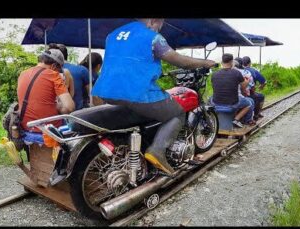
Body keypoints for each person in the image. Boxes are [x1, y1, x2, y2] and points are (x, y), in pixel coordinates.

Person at [92, 19, 215, 176]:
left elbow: (126, 61)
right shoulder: (152, 37)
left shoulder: (113, 35)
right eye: (160, 25)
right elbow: (179, 61)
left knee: (144, 111)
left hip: (105, 91)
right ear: (152, 20)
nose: (159, 29)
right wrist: (205, 63)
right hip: (137, 91)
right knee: (177, 113)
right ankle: (157, 150)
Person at [17, 49, 75, 132]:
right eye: (59, 70)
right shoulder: (53, 75)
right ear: (54, 66)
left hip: (25, 128)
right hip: (48, 130)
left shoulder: (23, 74)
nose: (59, 73)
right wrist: (59, 107)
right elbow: (70, 107)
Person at [211, 53, 253, 128]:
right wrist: (247, 81)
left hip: (216, 103)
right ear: (231, 62)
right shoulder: (236, 73)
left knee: (209, 99)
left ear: (222, 62)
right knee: (249, 103)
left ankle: (212, 120)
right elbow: (243, 88)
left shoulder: (214, 74)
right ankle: (236, 119)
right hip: (232, 104)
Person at [51, 43, 90, 110]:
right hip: (76, 114)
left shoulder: (49, 72)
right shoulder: (81, 70)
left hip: (54, 113)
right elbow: (91, 93)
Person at [242, 56, 266, 120]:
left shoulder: (238, 70)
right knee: (261, 96)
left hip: (238, 93)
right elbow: (264, 81)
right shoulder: (253, 71)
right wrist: (261, 87)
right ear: (250, 63)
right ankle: (256, 114)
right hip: (249, 93)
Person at [233, 57, 255, 125]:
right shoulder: (242, 72)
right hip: (237, 97)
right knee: (250, 102)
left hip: (218, 99)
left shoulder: (217, 74)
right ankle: (247, 121)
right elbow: (244, 88)